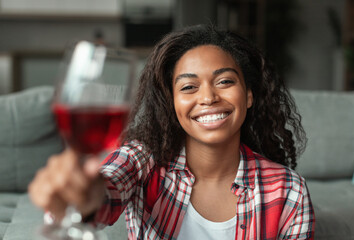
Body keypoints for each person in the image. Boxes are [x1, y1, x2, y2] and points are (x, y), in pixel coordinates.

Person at [29, 25, 315, 239]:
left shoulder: (290, 191)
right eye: (189, 87)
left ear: (249, 95)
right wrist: (82, 196)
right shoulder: (143, 160)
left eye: (225, 81)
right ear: (172, 103)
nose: (208, 98)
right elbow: (107, 187)